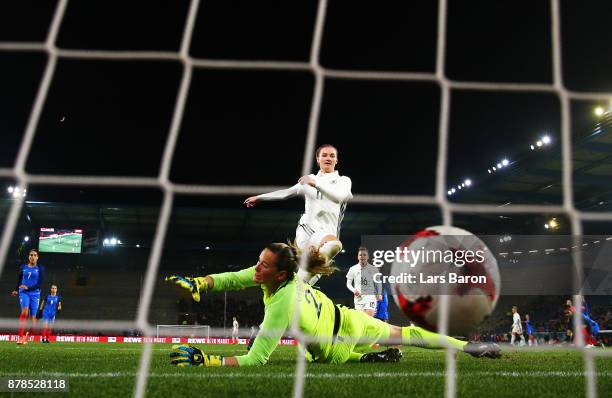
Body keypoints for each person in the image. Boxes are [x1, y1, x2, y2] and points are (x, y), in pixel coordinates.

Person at [165, 242, 501, 367]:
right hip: (351, 319)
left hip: (336, 346)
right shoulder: (287, 277)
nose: (256, 268)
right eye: (258, 262)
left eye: (263, 265)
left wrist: (209, 361)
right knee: (408, 334)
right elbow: (232, 278)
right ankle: (469, 346)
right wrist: (201, 283)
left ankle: (367, 357)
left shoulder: (281, 305)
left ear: (280, 274)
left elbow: (256, 360)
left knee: (314, 355)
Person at [244, 144, 352, 285]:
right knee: (330, 250)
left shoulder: (343, 181)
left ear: (336, 160)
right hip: (307, 228)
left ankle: (294, 289)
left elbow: (339, 197)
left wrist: (316, 184)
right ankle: (296, 287)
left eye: (332, 155)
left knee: (318, 267)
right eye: (324, 155)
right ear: (317, 159)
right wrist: (259, 197)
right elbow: (286, 193)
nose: (328, 158)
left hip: (327, 231)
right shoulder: (309, 179)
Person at [10, 249, 45, 345]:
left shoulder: (40, 268)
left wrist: (28, 287)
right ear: (28, 257)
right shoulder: (23, 267)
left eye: (35, 255)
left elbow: (40, 284)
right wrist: (16, 290)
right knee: (24, 312)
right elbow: (19, 280)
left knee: (33, 322)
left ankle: (26, 337)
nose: (33, 256)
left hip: (35, 294)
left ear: (37, 257)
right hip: (24, 292)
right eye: (31, 255)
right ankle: (20, 337)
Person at [346, 247, 382, 316]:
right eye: (360, 255)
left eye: (364, 255)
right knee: (361, 321)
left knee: (369, 319)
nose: (362, 256)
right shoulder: (353, 269)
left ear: (367, 257)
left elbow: (378, 283)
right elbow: (348, 283)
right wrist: (354, 290)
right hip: (358, 299)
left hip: (371, 298)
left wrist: (379, 293)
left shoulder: (374, 269)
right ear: (357, 257)